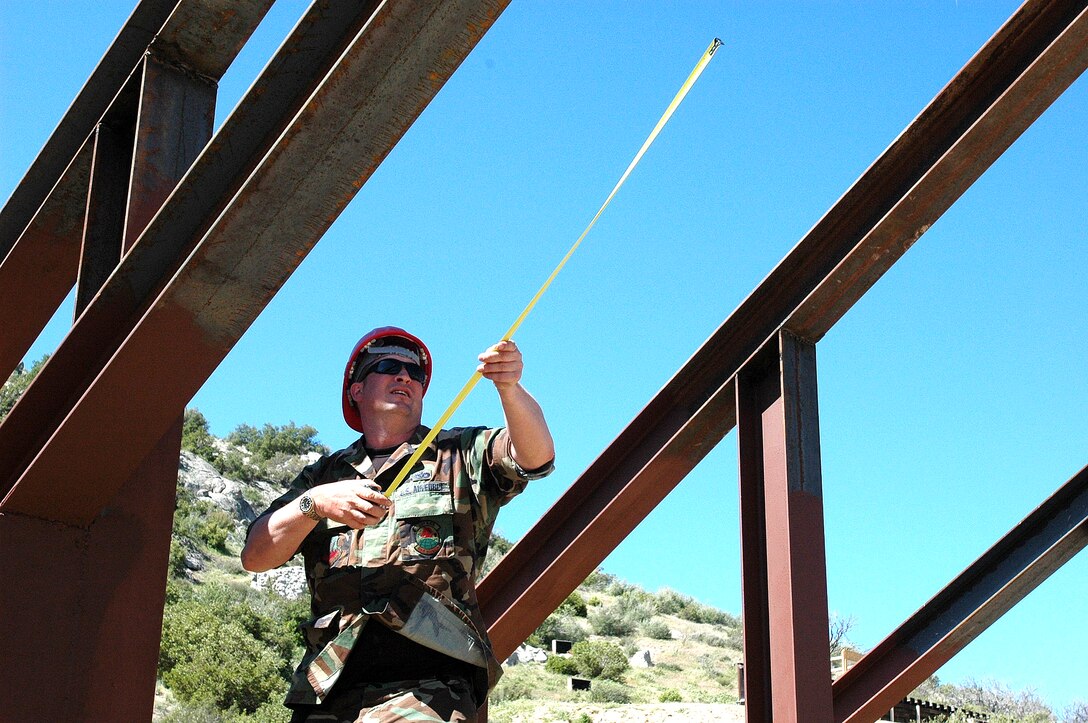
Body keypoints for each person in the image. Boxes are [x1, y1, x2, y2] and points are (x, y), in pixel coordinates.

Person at [241, 326, 554, 722]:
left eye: (415, 373)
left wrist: (509, 388)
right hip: (328, 688)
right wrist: (313, 504)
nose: (405, 376)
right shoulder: (323, 477)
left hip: (429, 685)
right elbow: (255, 556)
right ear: (356, 390)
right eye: (389, 366)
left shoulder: (457, 453)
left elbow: (535, 457)